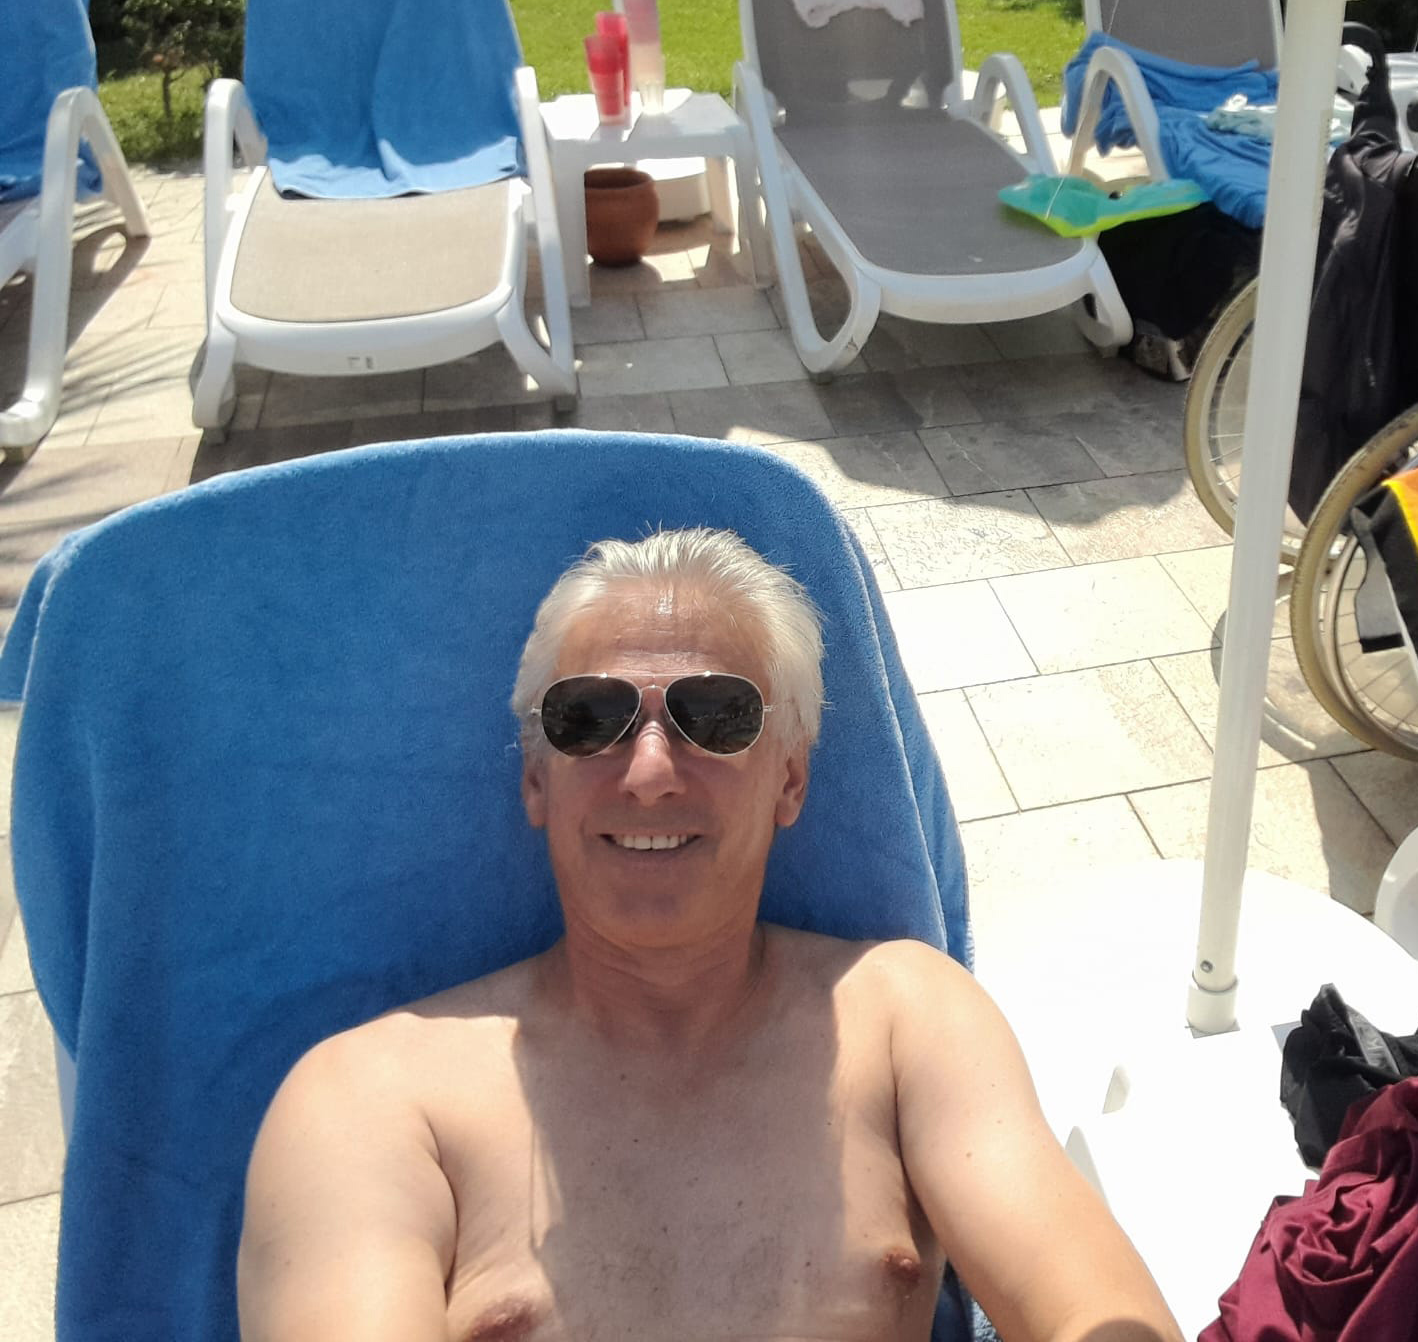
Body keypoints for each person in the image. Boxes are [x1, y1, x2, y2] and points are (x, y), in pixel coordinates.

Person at [237, 528, 1181, 1342]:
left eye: (716, 717)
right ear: (535, 780)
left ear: (789, 779)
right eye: (589, 719)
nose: (650, 772)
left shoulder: (905, 1018)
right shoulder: (373, 1101)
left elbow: (1086, 1303)